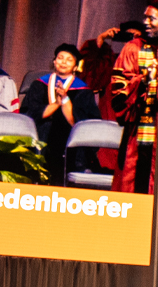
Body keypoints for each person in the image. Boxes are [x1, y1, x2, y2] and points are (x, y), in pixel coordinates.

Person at [111, 0, 158, 193]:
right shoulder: (133, 48)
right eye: (145, 17)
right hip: (141, 128)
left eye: (152, 18)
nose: (146, 22)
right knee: (133, 182)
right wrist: (143, 81)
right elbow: (119, 89)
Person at [21, 43, 101, 183]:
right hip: (41, 138)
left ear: (76, 66)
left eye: (69, 59)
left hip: (70, 143)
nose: (63, 62)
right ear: (54, 61)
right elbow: (29, 116)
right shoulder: (39, 85)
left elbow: (81, 126)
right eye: (60, 58)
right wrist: (56, 103)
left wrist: (65, 99)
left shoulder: (83, 91)